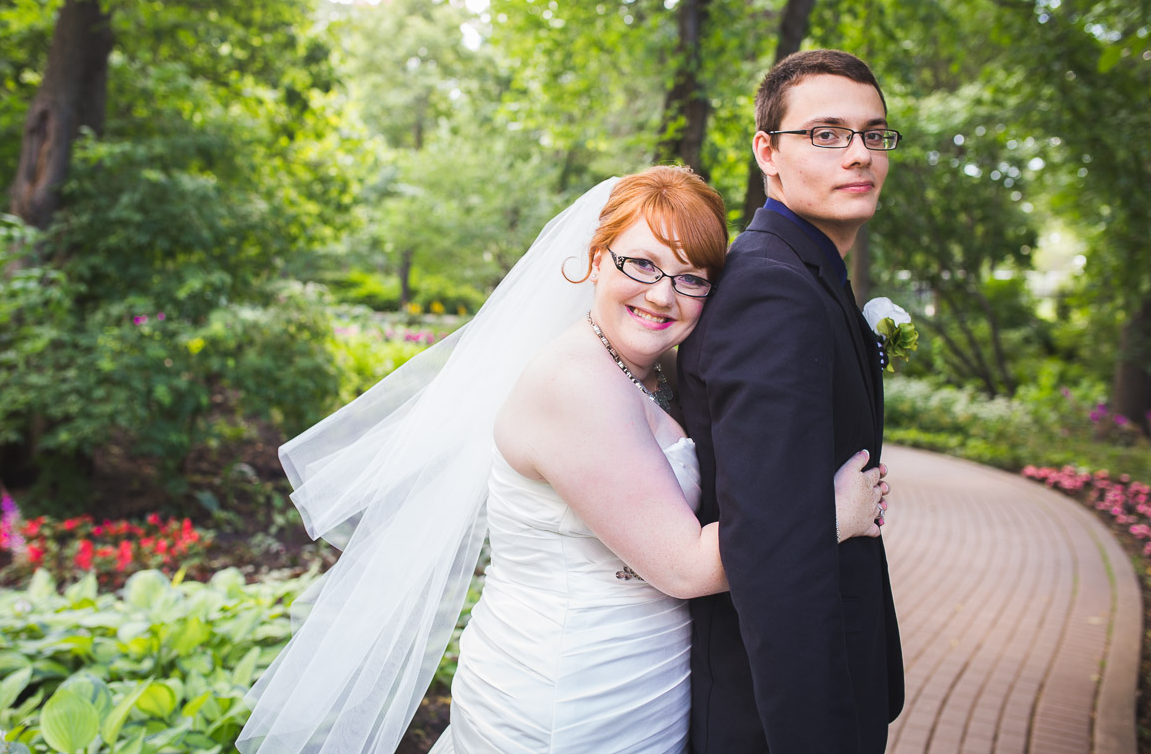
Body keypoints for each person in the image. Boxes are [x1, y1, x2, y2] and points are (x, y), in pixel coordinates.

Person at [237, 166, 887, 754]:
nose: (663, 296)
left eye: (691, 278)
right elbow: (685, 566)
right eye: (641, 265)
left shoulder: (649, 373)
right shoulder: (573, 385)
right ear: (596, 261)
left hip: (644, 680)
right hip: (569, 698)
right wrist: (825, 514)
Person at [677, 50, 906, 754]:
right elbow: (774, 550)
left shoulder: (812, 276)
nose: (859, 154)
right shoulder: (771, 289)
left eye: (874, 134)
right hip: (775, 715)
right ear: (767, 152)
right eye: (828, 134)